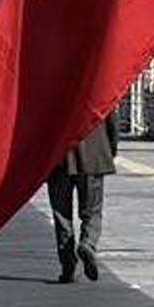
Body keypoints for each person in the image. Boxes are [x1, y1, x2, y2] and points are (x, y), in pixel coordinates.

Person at [46, 111, 121, 283]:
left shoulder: (50, 86)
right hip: (93, 154)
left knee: (61, 214)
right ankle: (88, 243)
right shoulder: (95, 83)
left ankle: (68, 265)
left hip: (58, 157)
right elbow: (111, 116)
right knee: (92, 210)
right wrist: (111, 147)